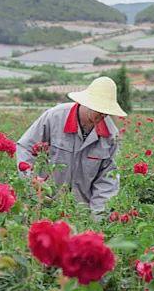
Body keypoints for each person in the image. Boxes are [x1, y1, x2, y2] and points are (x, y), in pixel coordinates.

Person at [16, 76, 125, 217]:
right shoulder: (54, 117)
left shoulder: (110, 135)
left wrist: (98, 217)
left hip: (80, 212)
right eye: (100, 109)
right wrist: (32, 188)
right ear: (87, 103)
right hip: (44, 206)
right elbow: (25, 147)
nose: (103, 115)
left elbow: (108, 179)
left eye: (106, 111)